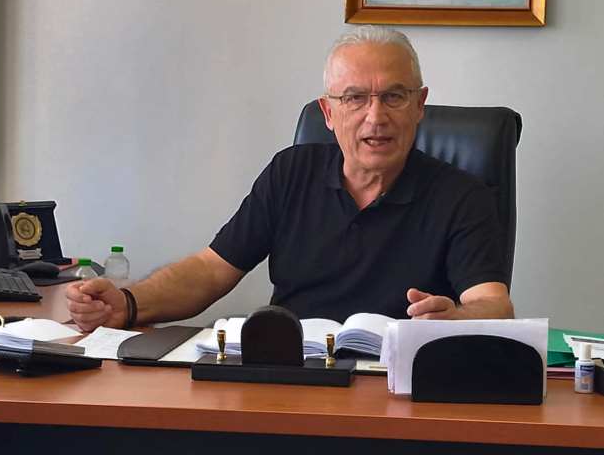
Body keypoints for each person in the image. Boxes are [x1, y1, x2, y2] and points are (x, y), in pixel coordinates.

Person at [66, 26, 513, 332]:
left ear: (419, 106)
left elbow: (493, 303)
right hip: (292, 379)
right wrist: (128, 303)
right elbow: (211, 269)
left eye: (394, 96)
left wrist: (455, 321)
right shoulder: (290, 172)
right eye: (355, 98)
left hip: (397, 391)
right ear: (328, 112)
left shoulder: (462, 196)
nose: (376, 117)